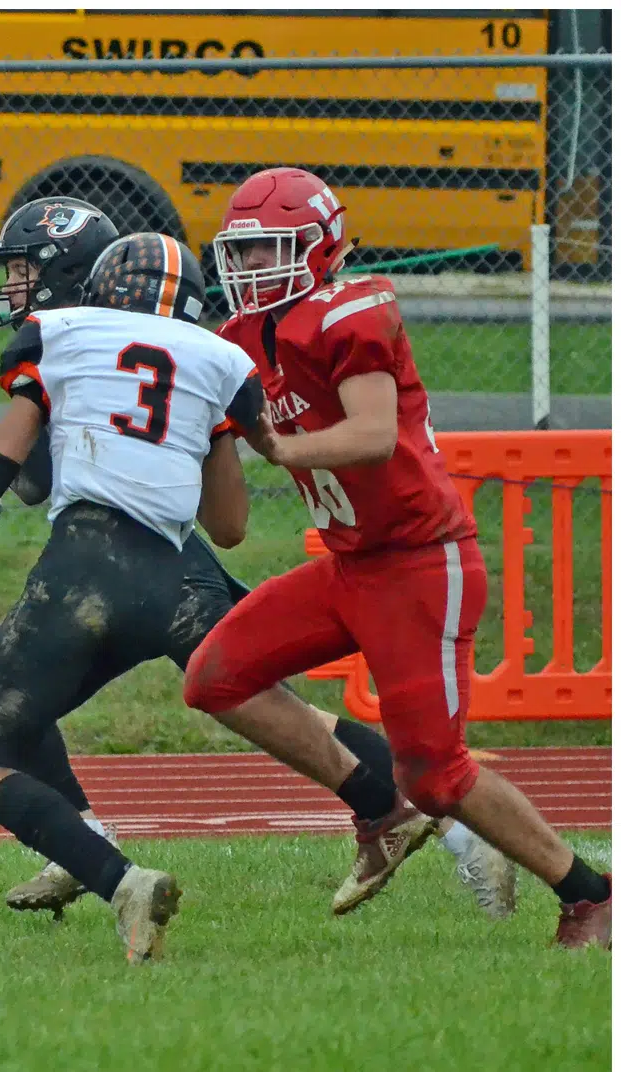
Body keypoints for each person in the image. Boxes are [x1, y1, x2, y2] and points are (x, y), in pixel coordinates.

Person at [0, 204, 512, 970]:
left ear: (84, 277)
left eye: (26, 267)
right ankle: (421, 821)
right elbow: (232, 521)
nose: (13, 284)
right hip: (172, 564)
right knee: (20, 677)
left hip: (101, 566)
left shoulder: (63, 338)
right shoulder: (204, 352)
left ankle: (68, 861)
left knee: (10, 731)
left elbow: (26, 479)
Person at [186, 166, 612, 950]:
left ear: (321, 247)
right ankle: (378, 806)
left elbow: (374, 434)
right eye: (241, 253)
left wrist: (275, 445)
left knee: (438, 774)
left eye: (270, 250)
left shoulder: (354, 308)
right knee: (214, 676)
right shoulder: (236, 340)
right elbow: (229, 523)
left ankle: (590, 895)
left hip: (422, 564)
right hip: (351, 567)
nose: (250, 270)